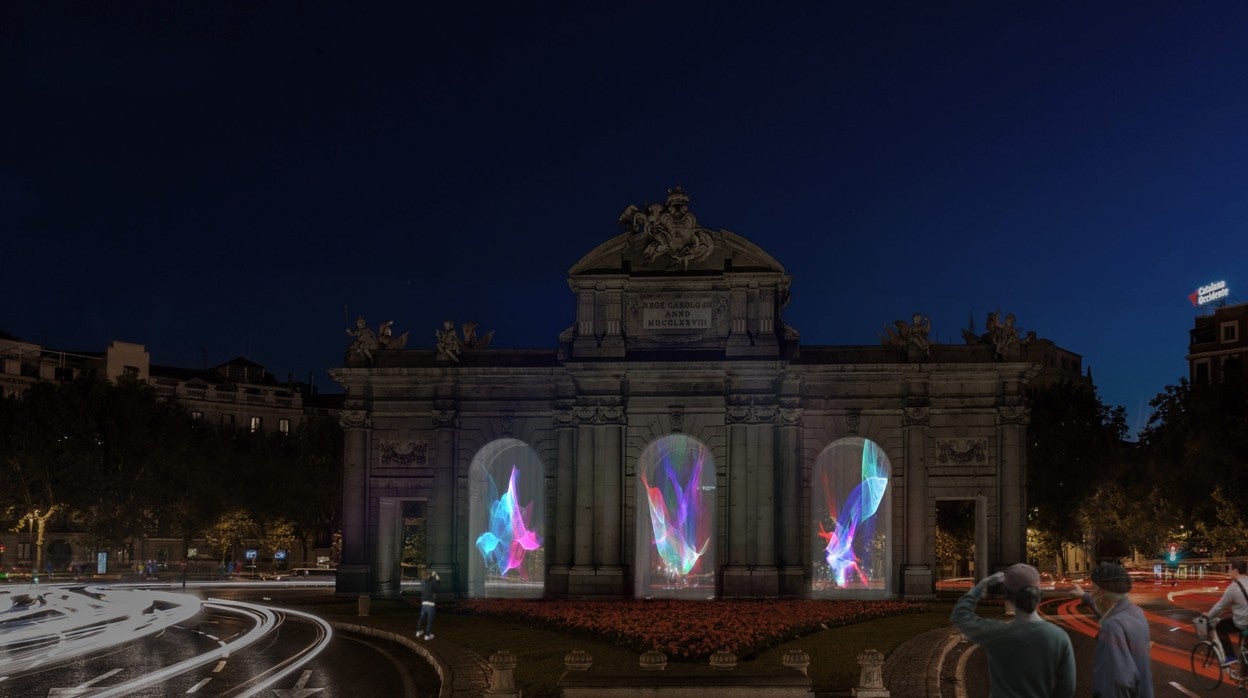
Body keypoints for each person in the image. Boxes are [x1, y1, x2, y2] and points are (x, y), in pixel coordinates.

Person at [951, 563, 1076, 697]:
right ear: (1039, 593)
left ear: (1008, 597)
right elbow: (1067, 689)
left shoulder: (996, 633)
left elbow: (960, 615)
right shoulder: (1059, 637)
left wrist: (982, 585)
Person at [1070, 562, 1154, 698]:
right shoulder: (1136, 613)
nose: (1093, 593)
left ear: (1100, 592)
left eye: (1093, 589)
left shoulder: (1112, 627)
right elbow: (1109, 611)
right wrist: (1084, 596)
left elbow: (1117, 681)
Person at [1205, 560, 1248, 669]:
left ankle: (1230, 656)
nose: (1228, 572)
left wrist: (1208, 616)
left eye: (1229, 569)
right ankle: (1244, 677)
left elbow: (1219, 606)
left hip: (1242, 622)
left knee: (1220, 627)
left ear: (1235, 570)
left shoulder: (1233, 587)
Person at [415, 570, 440, 640]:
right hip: (430, 604)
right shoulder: (431, 582)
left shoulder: (422, 582)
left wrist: (431, 576)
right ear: (428, 575)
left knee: (421, 618)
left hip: (424, 604)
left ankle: (418, 631)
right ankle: (427, 635)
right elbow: (437, 588)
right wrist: (437, 578)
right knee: (429, 620)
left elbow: (428, 580)